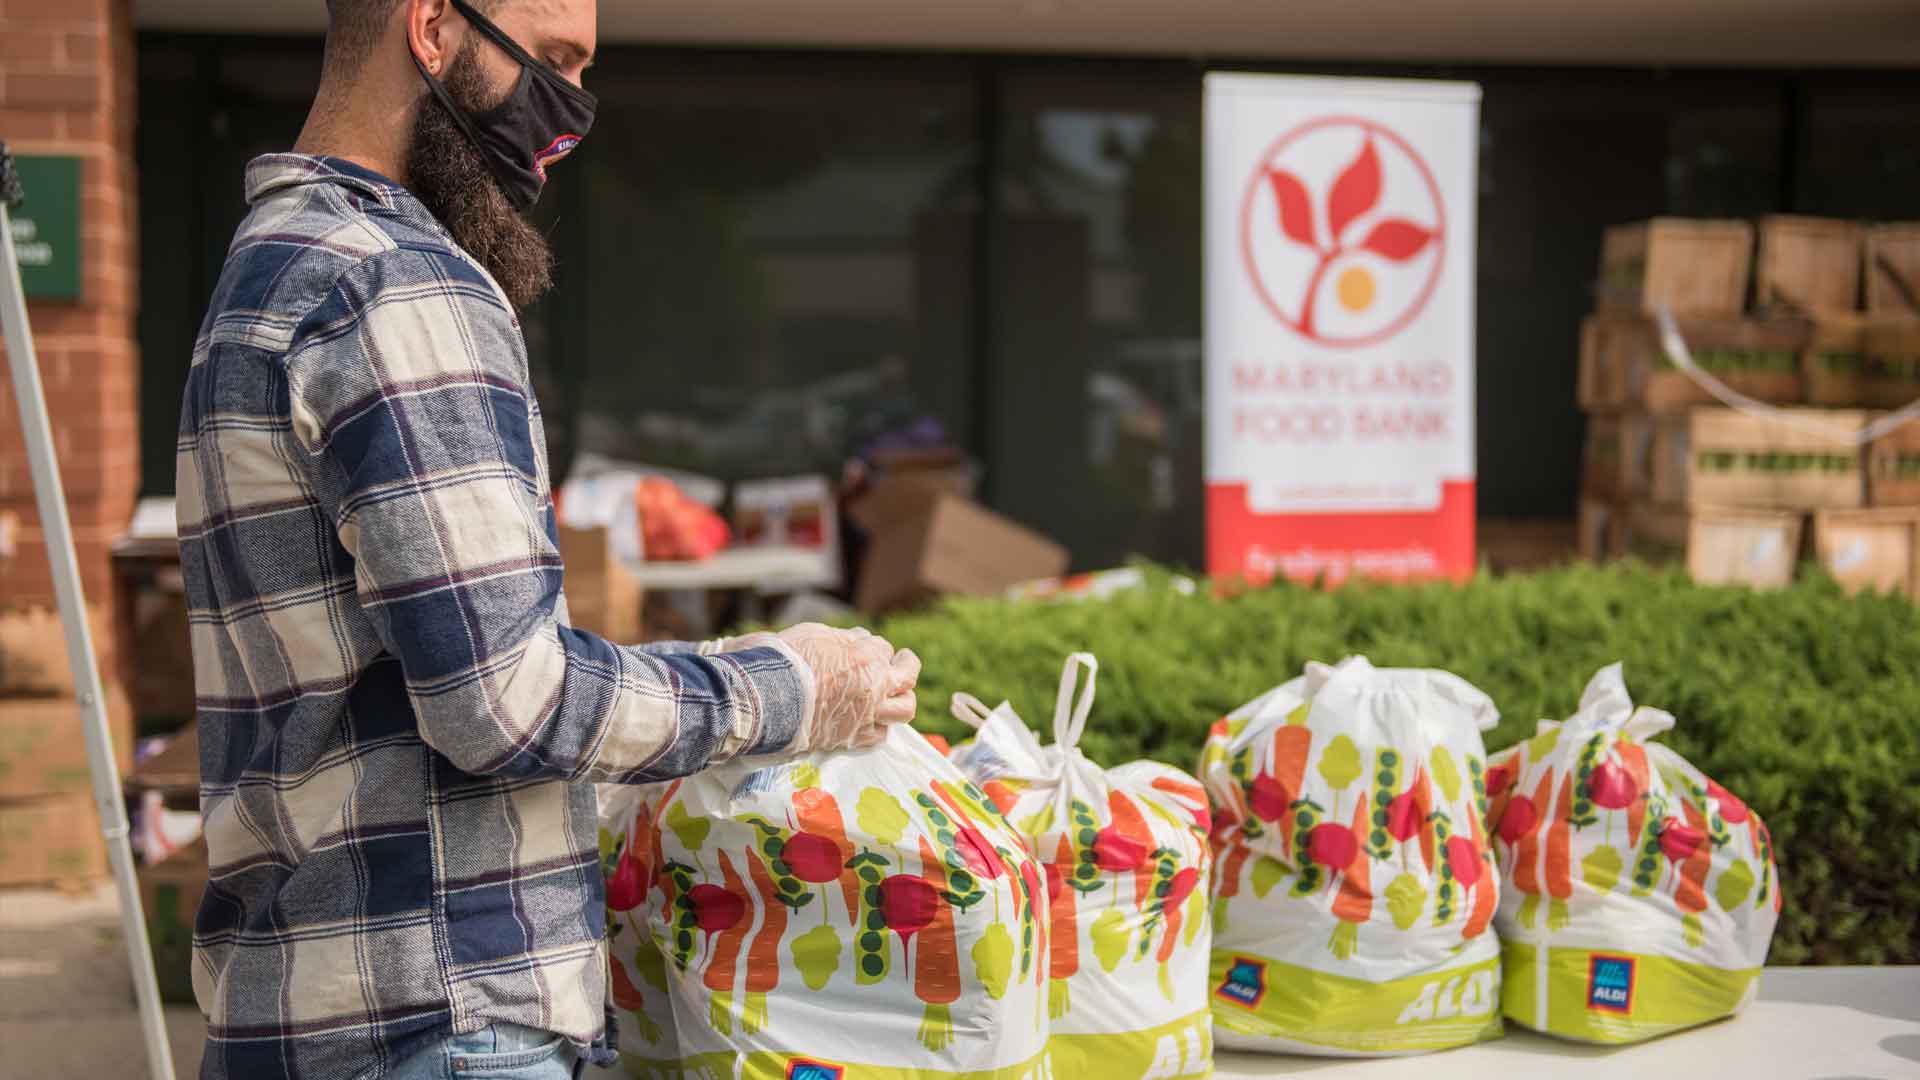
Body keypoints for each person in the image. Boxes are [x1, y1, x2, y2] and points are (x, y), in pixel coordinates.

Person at [174, 1, 921, 1077]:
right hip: (440, 1019)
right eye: (554, 59)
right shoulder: (397, 281)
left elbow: (382, 690)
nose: (568, 113)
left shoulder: (268, 266)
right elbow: (502, 702)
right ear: (433, 26)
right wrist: (792, 690)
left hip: (302, 1004)